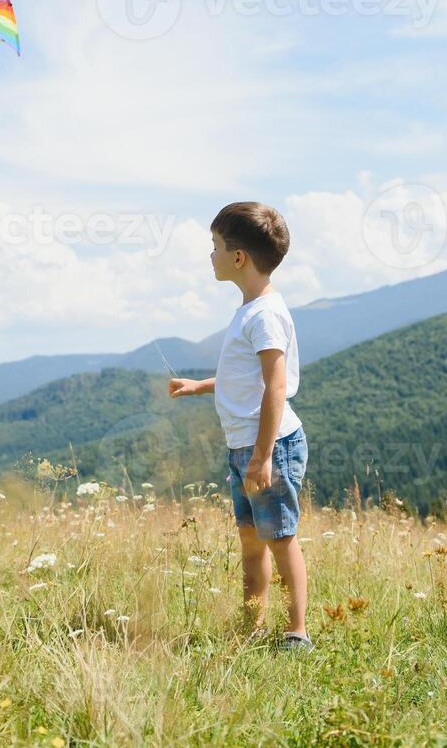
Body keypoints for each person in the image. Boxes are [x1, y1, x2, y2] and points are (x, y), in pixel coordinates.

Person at [169, 202, 312, 652]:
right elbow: (244, 379)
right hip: (246, 448)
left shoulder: (265, 313)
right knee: (251, 543)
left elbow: (275, 385)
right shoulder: (250, 309)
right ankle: (252, 627)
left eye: (214, 247)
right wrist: (201, 386)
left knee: (280, 540)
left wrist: (263, 457)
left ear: (238, 258)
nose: (209, 255)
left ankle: (296, 633)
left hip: (267, 449)